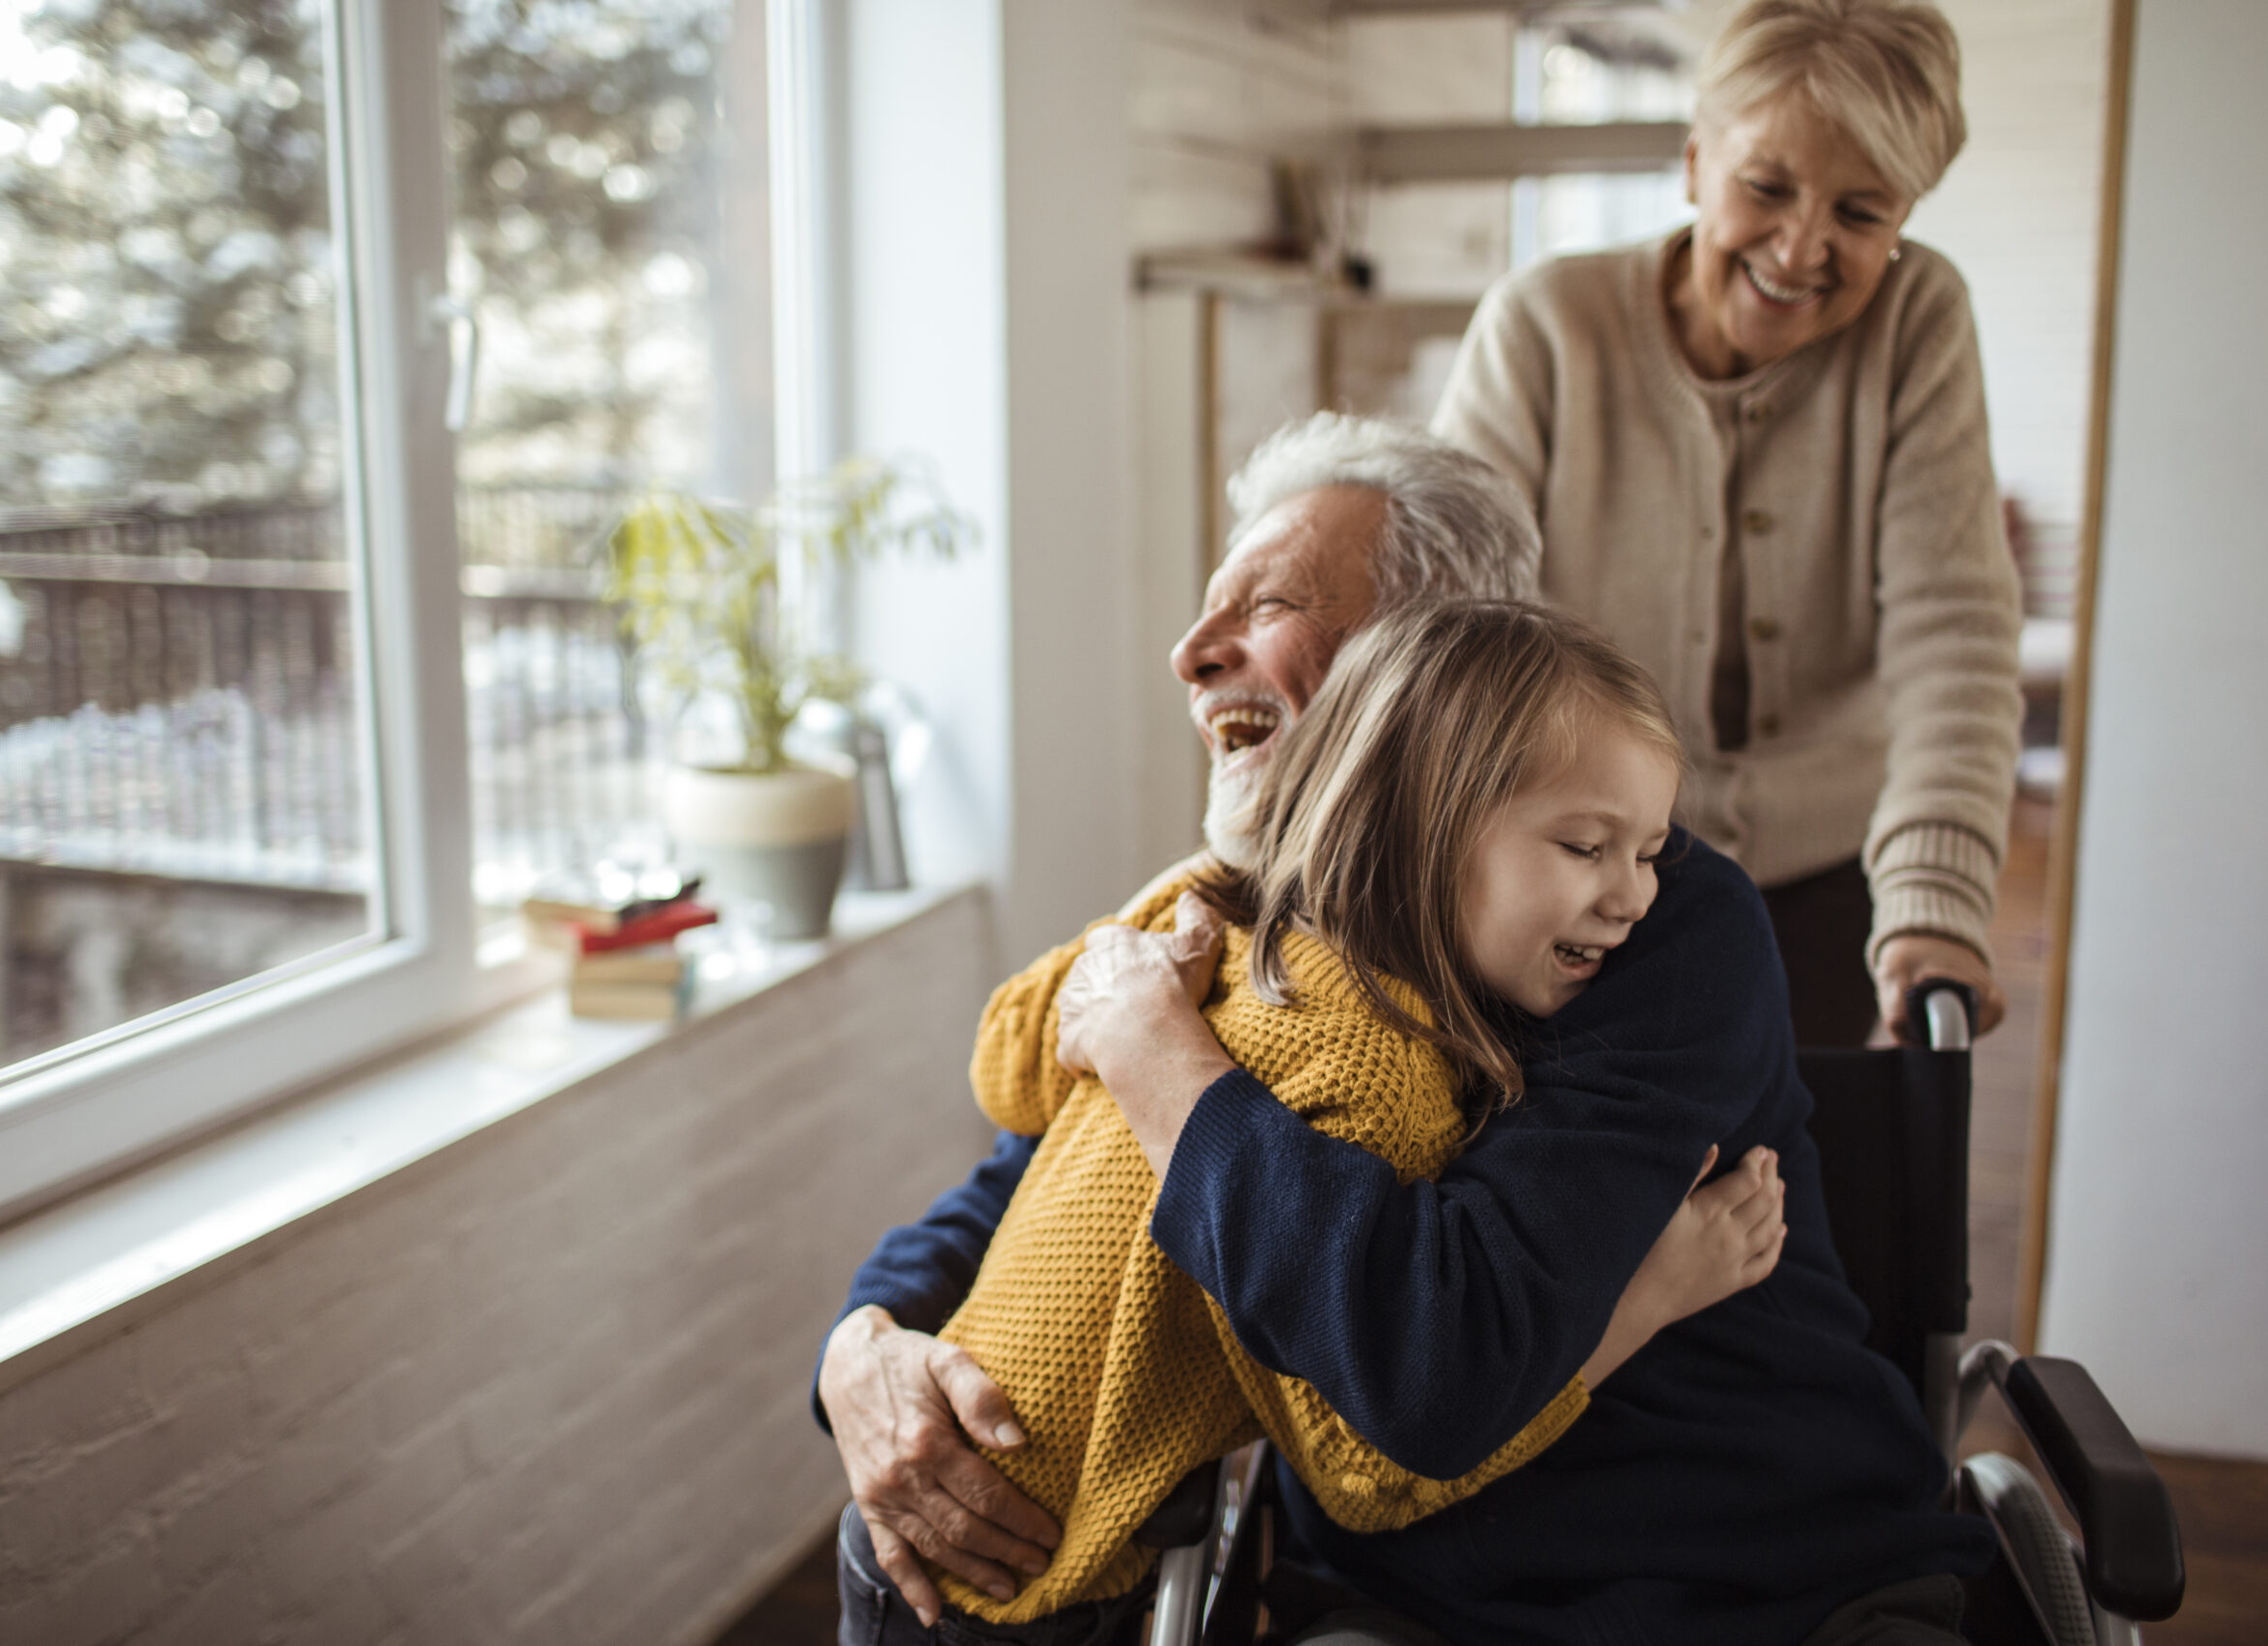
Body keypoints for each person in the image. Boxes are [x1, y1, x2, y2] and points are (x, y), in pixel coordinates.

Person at [821, 416, 1991, 1642]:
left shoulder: (1656, 930)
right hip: (1402, 1606)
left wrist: (1158, 1053)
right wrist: (866, 1347)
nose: (1189, 652)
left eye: (1264, 603)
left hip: (1766, 1583)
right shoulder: (1242, 924)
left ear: (1433, 668)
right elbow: (1040, 1175)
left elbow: (1433, 1368)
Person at [846, 602, 1787, 1635]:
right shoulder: (1368, 1071)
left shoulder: (1220, 948)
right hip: (1017, 1587)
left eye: (1646, 853)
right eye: (1585, 847)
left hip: (955, 1559)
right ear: (1424, 816)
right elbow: (1367, 1473)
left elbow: (1005, 1071)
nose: (1635, 898)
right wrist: (1642, 1299)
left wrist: (1158, 927)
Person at [1432, 0, 2024, 1048]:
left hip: (1828, 876)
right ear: (1696, 163)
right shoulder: (1544, 325)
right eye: (1766, 188)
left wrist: (1933, 904)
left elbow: (1955, 635)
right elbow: (1447, 621)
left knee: (1804, 1189)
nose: (1802, 249)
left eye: (1860, 212)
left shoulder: (1917, 321)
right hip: (1574, 874)